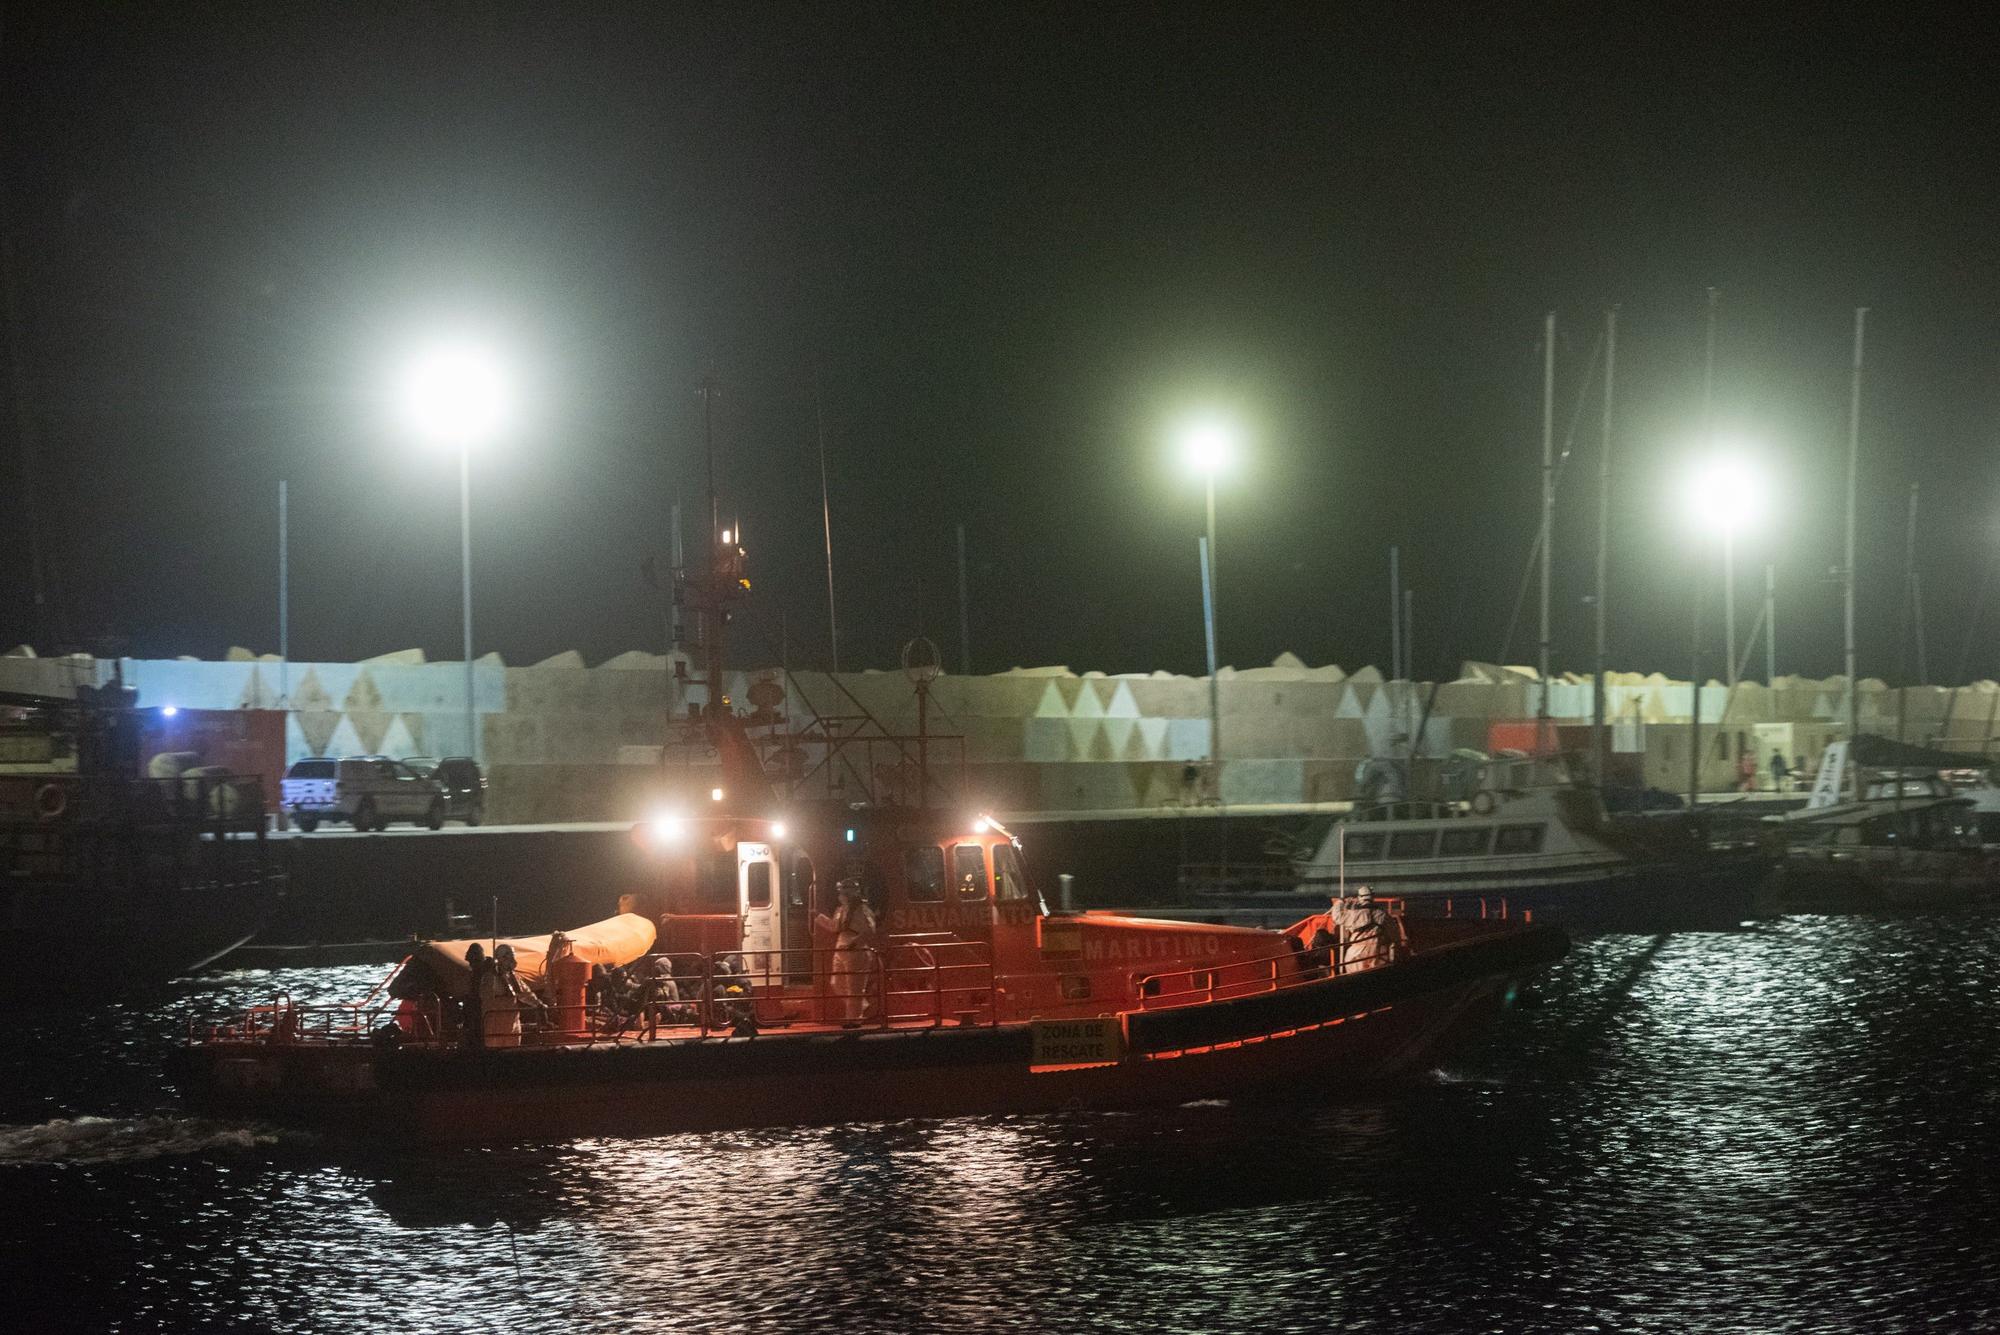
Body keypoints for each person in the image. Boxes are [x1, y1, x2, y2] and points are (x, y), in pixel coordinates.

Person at [816, 877, 878, 1025]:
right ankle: (860, 1006)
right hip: (841, 947)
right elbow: (835, 927)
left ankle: (853, 1020)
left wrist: (855, 942)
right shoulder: (841, 910)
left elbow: (870, 930)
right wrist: (819, 918)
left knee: (854, 987)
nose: (842, 894)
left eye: (844, 891)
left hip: (856, 950)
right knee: (836, 983)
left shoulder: (862, 910)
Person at [1333, 885, 1397, 973]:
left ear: (1360, 897)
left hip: (1356, 954)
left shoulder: (1354, 914)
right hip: (1377, 954)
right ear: (1372, 897)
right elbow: (1394, 935)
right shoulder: (1383, 914)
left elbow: (1337, 916)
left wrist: (1340, 902)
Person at [481, 943, 526, 1048]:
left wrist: (538, 1004)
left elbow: (525, 993)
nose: (512, 961)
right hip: (495, 1026)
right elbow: (486, 996)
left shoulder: (514, 977)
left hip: (513, 1025)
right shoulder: (490, 977)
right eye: (509, 958)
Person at [461, 941, 489, 1048]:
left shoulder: (483, 974)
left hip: (479, 1008)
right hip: (475, 1008)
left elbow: (477, 992)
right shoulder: (477, 973)